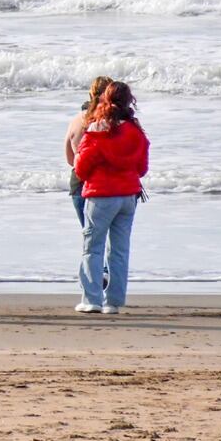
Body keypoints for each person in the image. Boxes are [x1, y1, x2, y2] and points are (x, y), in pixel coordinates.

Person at [73, 81, 149, 315]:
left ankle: (92, 299)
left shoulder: (98, 129)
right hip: (128, 195)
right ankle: (113, 301)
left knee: (93, 248)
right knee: (119, 249)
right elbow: (142, 168)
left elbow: (81, 167)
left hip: (101, 195)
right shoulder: (136, 131)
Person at [64, 76, 114, 226]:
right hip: (104, 185)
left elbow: (69, 159)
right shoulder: (112, 121)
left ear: (91, 95)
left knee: (89, 238)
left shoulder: (75, 121)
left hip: (78, 183)